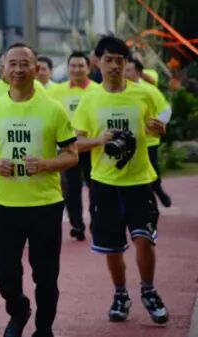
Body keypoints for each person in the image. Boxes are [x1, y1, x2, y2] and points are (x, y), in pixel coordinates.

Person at [0, 43, 77, 337]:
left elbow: (72, 154)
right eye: (12, 63)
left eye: (25, 64)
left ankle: (44, 328)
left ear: (36, 69)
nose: (19, 69)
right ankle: (19, 310)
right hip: (5, 205)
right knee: (4, 272)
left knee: (46, 274)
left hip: (45, 205)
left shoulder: (53, 109)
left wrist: (46, 164)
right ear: (3, 70)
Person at [72, 36, 168, 325]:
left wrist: (160, 129)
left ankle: (149, 291)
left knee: (144, 239)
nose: (114, 66)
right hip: (104, 184)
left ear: (127, 63)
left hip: (138, 181)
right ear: (97, 63)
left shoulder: (143, 95)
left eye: (120, 60)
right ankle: (120, 294)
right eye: (109, 60)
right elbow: (76, 143)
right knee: (112, 247)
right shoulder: (90, 100)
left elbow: (155, 129)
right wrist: (99, 140)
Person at [52, 51, 96, 241]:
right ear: (68, 68)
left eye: (81, 66)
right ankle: (77, 225)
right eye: (73, 66)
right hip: (68, 148)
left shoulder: (97, 90)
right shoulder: (56, 91)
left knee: (95, 188)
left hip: (92, 147)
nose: (77, 69)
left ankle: (96, 223)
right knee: (71, 188)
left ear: (88, 68)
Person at [124, 57, 172, 208]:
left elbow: (166, 110)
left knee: (152, 172)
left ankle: (158, 190)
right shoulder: (118, 91)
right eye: (124, 70)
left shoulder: (149, 90)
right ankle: (148, 205)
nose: (124, 73)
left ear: (138, 72)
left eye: (128, 70)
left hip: (149, 142)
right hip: (128, 142)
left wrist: (154, 126)